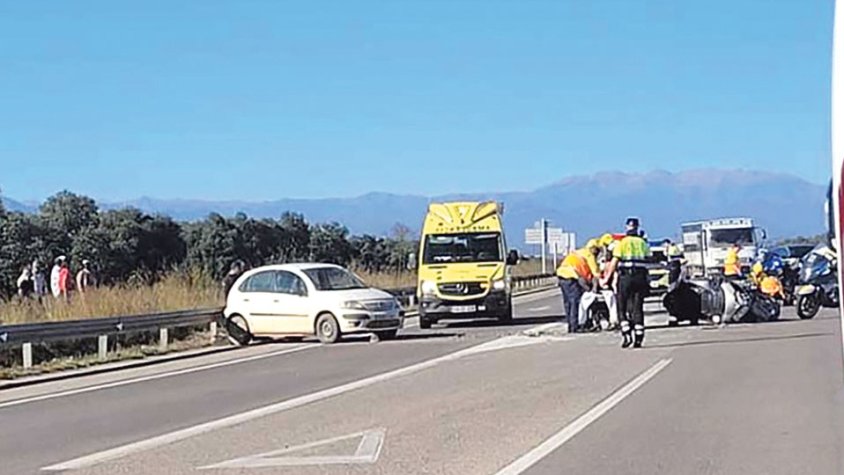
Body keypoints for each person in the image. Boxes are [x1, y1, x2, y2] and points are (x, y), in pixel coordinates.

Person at [602, 217, 651, 348]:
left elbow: (615, 262)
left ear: (627, 227)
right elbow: (648, 259)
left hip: (626, 278)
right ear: (637, 227)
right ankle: (639, 336)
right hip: (640, 278)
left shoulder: (622, 243)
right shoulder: (642, 243)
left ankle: (626, 333)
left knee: (621, 305)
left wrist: (607, 279)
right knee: (637, 307)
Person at [556, 242, 599, 334]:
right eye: (597, 251)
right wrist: (593, 289)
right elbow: (596, 274)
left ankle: (571, 325)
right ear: (593, 249)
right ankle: (575, 327)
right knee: (575, 302)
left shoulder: (577, 252)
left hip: (561, 275)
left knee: (568, 303)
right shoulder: (589, 255)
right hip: (571, 276)